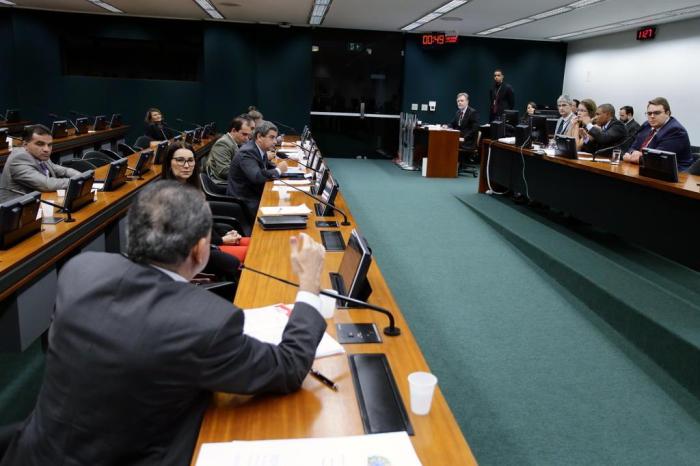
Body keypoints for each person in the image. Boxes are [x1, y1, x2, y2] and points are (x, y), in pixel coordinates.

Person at [0, 181, 327, 466]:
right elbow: (288, 366)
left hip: (33, 453)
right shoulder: (206, 320)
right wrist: (309, 285)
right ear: (201, 250)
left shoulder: (81, 270)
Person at [162, 141, 250, 267]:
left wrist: (224, 234)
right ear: (169, 164)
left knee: (257, 244)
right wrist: (221, 240)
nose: (187, 165)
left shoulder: (191, 188)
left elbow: (205, 222)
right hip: (192, 254)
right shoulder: (166, 196)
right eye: (180, 160)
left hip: (210, 243)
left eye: (191, 160)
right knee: (256, 253)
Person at [0, 124, 81, 202]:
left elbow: (62, 170)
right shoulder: (19, 158)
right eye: (40, 144)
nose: (46, 149)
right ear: (25, 145)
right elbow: (47, 184)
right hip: (15, 209)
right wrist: (77, 181)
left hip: (39, 200)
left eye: (49, 145)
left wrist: (80, 176)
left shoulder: (40, 154)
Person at [227, 121, 288, 218]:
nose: (275, 142)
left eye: (275, 138)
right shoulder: (248, 152)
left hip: (255, 194)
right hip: (245, 202)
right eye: (272, 137)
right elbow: (257, 176)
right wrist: (278, 170)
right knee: (282, 211)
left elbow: (266, 167)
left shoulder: (259, 149)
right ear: (259, 137)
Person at [623, 97, 693, 171]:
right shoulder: (647, 125)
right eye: (649, 113)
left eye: (656, 113)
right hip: (644, 169)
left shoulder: (675, 130)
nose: (652, 116)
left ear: (667, 113)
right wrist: (633, 153)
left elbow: (658, 160)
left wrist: (632, 158)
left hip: (674, 175)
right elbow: (633, 147)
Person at [205, 115, 253, 185]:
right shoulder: (223, 143)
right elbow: (224, 171)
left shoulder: (238, 142)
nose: (247, 138)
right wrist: (249, 172)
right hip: (223, 183)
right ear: (233, 130)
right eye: (244, 134)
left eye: (248, 135)